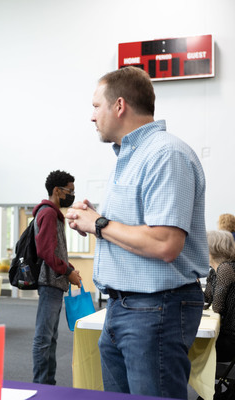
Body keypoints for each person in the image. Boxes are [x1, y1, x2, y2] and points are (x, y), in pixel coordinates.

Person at [65, 66, 208, 399]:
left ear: (119, 105)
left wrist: (98, 224)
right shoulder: (132, 157)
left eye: (96, 106)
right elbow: (133, 230)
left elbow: (165, 243)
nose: (92, 116)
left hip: (155, 309)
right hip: (125, 308)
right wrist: (94, 220)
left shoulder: (165, 154)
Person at [31, 170, 82, 385]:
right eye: (69, 191)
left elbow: (53, 250)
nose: (71, 195)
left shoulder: (51, 213)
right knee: (44, 337)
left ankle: (47, 383)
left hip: (55, 281)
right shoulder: (49, 213)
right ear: (56, 191)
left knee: (50, 336)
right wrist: (67, 272)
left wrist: (69, 269)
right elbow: (45, 251)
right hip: (50, 282)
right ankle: (42, 385)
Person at [204, 230, 235, 362]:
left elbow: (217, 307)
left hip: (230, 339)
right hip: (226, 333)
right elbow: (206, 299)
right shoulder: (215, 270)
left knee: (186, 345)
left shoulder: (225, 269)